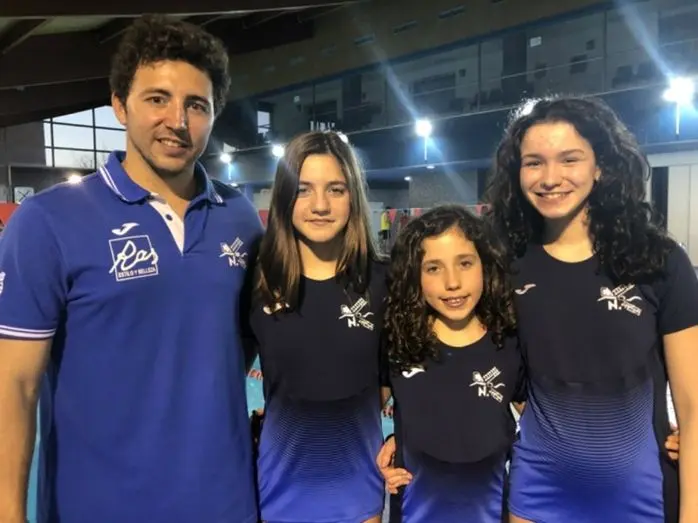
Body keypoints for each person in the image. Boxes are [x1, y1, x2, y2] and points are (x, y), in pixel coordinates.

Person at [0, 15, 262, 523]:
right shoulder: (48, 222)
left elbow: (246, 344)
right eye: (157, 98)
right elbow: (14, 386)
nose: (177, 121)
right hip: (99, 507)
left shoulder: (240, 218)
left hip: (224, 504)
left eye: (196, 105)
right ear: (119, 105)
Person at [485, 95, 698, 522]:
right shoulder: (504, 263)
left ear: (600, 166)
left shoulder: (657, 260)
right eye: (534, 163)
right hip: (538, 491)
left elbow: (692, 405)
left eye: (570, 159)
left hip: (639, 494)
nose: (550, 178)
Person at [249, 130, 389, 523]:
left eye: (336, 190)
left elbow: (393, 384)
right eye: (304, 190)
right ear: (284, 197)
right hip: (280, 486)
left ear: (353, 197)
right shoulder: (257, 284)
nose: (321, 205)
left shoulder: (383, 282)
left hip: (357, 486)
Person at [376, 204, 523, 522]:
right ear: (414, 275)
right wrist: (382, 454)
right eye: (433, 268)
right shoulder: (399, 343)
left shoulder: (510, 343)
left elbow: (544, 426)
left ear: (485, 265)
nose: (452, 282)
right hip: (416, 512)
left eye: (465, 263)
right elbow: (355, 420)